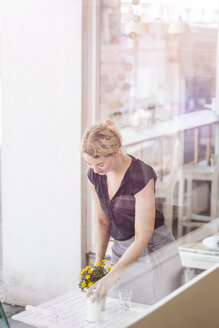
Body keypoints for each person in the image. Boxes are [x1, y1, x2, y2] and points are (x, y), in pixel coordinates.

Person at [81, 120, 183, 305]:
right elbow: (102, 222)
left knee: (156, 314)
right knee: (122, 310)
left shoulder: (141, 174)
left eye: (100, 164)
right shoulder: (95, 175)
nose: (95, 170)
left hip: (154, 251)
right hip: (122, 251)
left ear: (115, 151)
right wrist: (99, 264)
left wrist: (112, 276)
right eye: (90, 164)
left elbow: (142, 236)